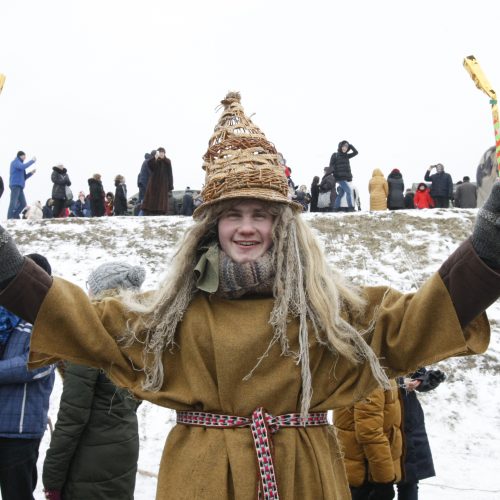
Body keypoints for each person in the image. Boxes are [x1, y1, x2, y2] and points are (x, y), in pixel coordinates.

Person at [0, 92, 499, 500]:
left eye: (259, 214)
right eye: (232, 215)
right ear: (213, 227)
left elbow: (416, 321)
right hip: (200, 481)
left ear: (281, 225)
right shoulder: (169, 316)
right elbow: (76, 320)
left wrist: (492, 239)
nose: (246, 229)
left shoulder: (329, 310)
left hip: (306, 481)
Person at [43, 261, 145, 500]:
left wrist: (52, 478)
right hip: (124, 447)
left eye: (91, 286)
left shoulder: (91, 338)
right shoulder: (136, 335)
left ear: (101, 293)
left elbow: (72, 417)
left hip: (90, 458)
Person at [0, 254, 55, 500]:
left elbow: (35, 364)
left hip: (20, 430)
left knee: (17, 495)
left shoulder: (48, 320)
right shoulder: (4, 317)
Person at [334, 380, 403, 499]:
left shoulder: (379, 372)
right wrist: (384, 481)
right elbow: (370, 433)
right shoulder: (372, 376)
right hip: (367, 475)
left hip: (358, 470)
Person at [397, 368, 446, 500]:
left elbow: (420, 376)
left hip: (408, 423)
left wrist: (423, 380)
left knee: (409, 479)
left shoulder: (405, 351)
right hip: (381, 421)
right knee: (379, 481)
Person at [142, 147, 174, 215]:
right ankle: (152, 213)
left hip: (163, 184)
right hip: (154, 184)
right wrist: (155, 158)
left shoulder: (167, 161)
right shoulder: (155, 160)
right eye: (160, 153)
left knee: (161, 203)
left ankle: (160, 213)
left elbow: (170, 174)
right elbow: (150, 166)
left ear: (164, 153)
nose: (161, 154)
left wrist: (170, 185)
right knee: (152, 202)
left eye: (162, 153)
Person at [7, 151, 37, 219]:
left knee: (23, 204)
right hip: (15, 185)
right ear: (20, 156)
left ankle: (14, 216)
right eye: (24, 156)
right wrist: (32, 161)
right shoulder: (15, 162)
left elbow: (24, 177)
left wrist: (31, 173)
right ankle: (9, 218)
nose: (25, 157)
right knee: (13, 202)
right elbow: (23, 167)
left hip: (20, 186)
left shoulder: (20, 164)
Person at [330, 141, 358, 211]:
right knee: (349, 191)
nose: (345, 148)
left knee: (341, 194)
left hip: (346, 178)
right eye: (343, 146)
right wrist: (334, 174)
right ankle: (351, 208)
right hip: (339, 178)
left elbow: (356, 152)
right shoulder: (335, 155)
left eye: (346, 147)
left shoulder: (346, 156)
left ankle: (335, 208)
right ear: (340, 146)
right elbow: (331, 165)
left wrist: (350, 145)